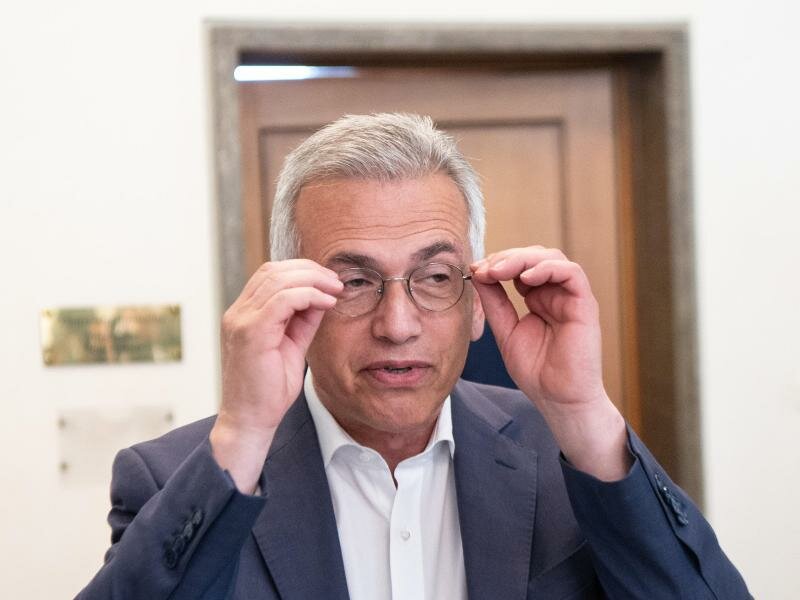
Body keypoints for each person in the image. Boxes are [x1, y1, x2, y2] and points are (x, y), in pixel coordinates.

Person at [77, 113, 750, 599]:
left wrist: (583, 413)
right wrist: (243, 434)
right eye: (355, 282)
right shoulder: (173, 479)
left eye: (433, 278)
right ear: (296, 299)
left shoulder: (569, 459)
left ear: (475, 299)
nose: (397, 325)